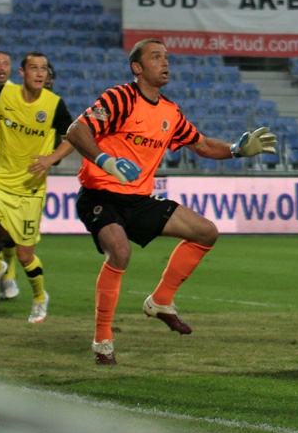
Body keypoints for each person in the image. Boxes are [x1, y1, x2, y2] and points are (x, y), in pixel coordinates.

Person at [66, 38, 278, 366]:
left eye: (166, 57)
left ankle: (161, 301)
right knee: (120, 251)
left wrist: (236, 150)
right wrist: (106, 161)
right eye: (156, 57)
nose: (165, 62)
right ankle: (103, 340)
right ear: (137, 68)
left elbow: (202, 145)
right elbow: (76, 130)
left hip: (138, 199)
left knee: (205, 232)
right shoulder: (119, 98)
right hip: (100, 195)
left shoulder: (170, 112)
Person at [0, 52, 75, 323]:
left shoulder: (54, 104)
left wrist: (51, 158)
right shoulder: (2, 94)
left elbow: (73, 137)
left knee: (25, 256)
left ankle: (39, 297)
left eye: (44, 69)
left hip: (29, 190)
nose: (40, 73)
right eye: (34, 68)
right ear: (22, 72)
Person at [0, 49, 19, 299]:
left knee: (9, 230)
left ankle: (8, 277)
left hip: (12, 171)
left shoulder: (19, 95)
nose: (1, 67)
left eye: (5, 63)